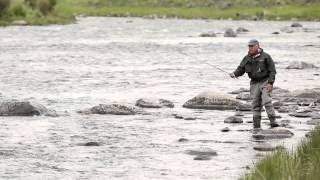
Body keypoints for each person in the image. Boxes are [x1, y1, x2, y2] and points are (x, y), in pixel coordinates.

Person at [230, 39, 279, 130]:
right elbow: (241, 69)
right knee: (255, 105)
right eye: (249, 46)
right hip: (254, 83)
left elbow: (272, 71)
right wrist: (234, 74)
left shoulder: (266, 56)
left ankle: (273, 123)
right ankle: (256, 126)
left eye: (252, 46)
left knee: (266, 101)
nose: (250, 48)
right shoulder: (246, 58)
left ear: (257, 46)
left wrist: (270, 83)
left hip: (265, 81)